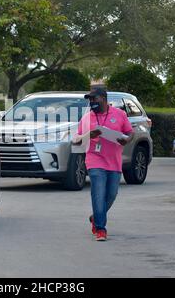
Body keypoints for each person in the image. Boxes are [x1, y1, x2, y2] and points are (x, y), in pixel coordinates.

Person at [73, 87, 134, 241]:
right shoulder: (87, 117)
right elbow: (76, 139)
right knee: (98, 193)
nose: (91, 102)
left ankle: (96, 217)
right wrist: (89, 134)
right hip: (94, 159)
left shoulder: (119, 114)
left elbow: (130, 132)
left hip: (114, 160)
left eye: (94, 99)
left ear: (104, 99)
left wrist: (126, 139)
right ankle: (100, 229)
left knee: (111, 195)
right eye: (90, 99)